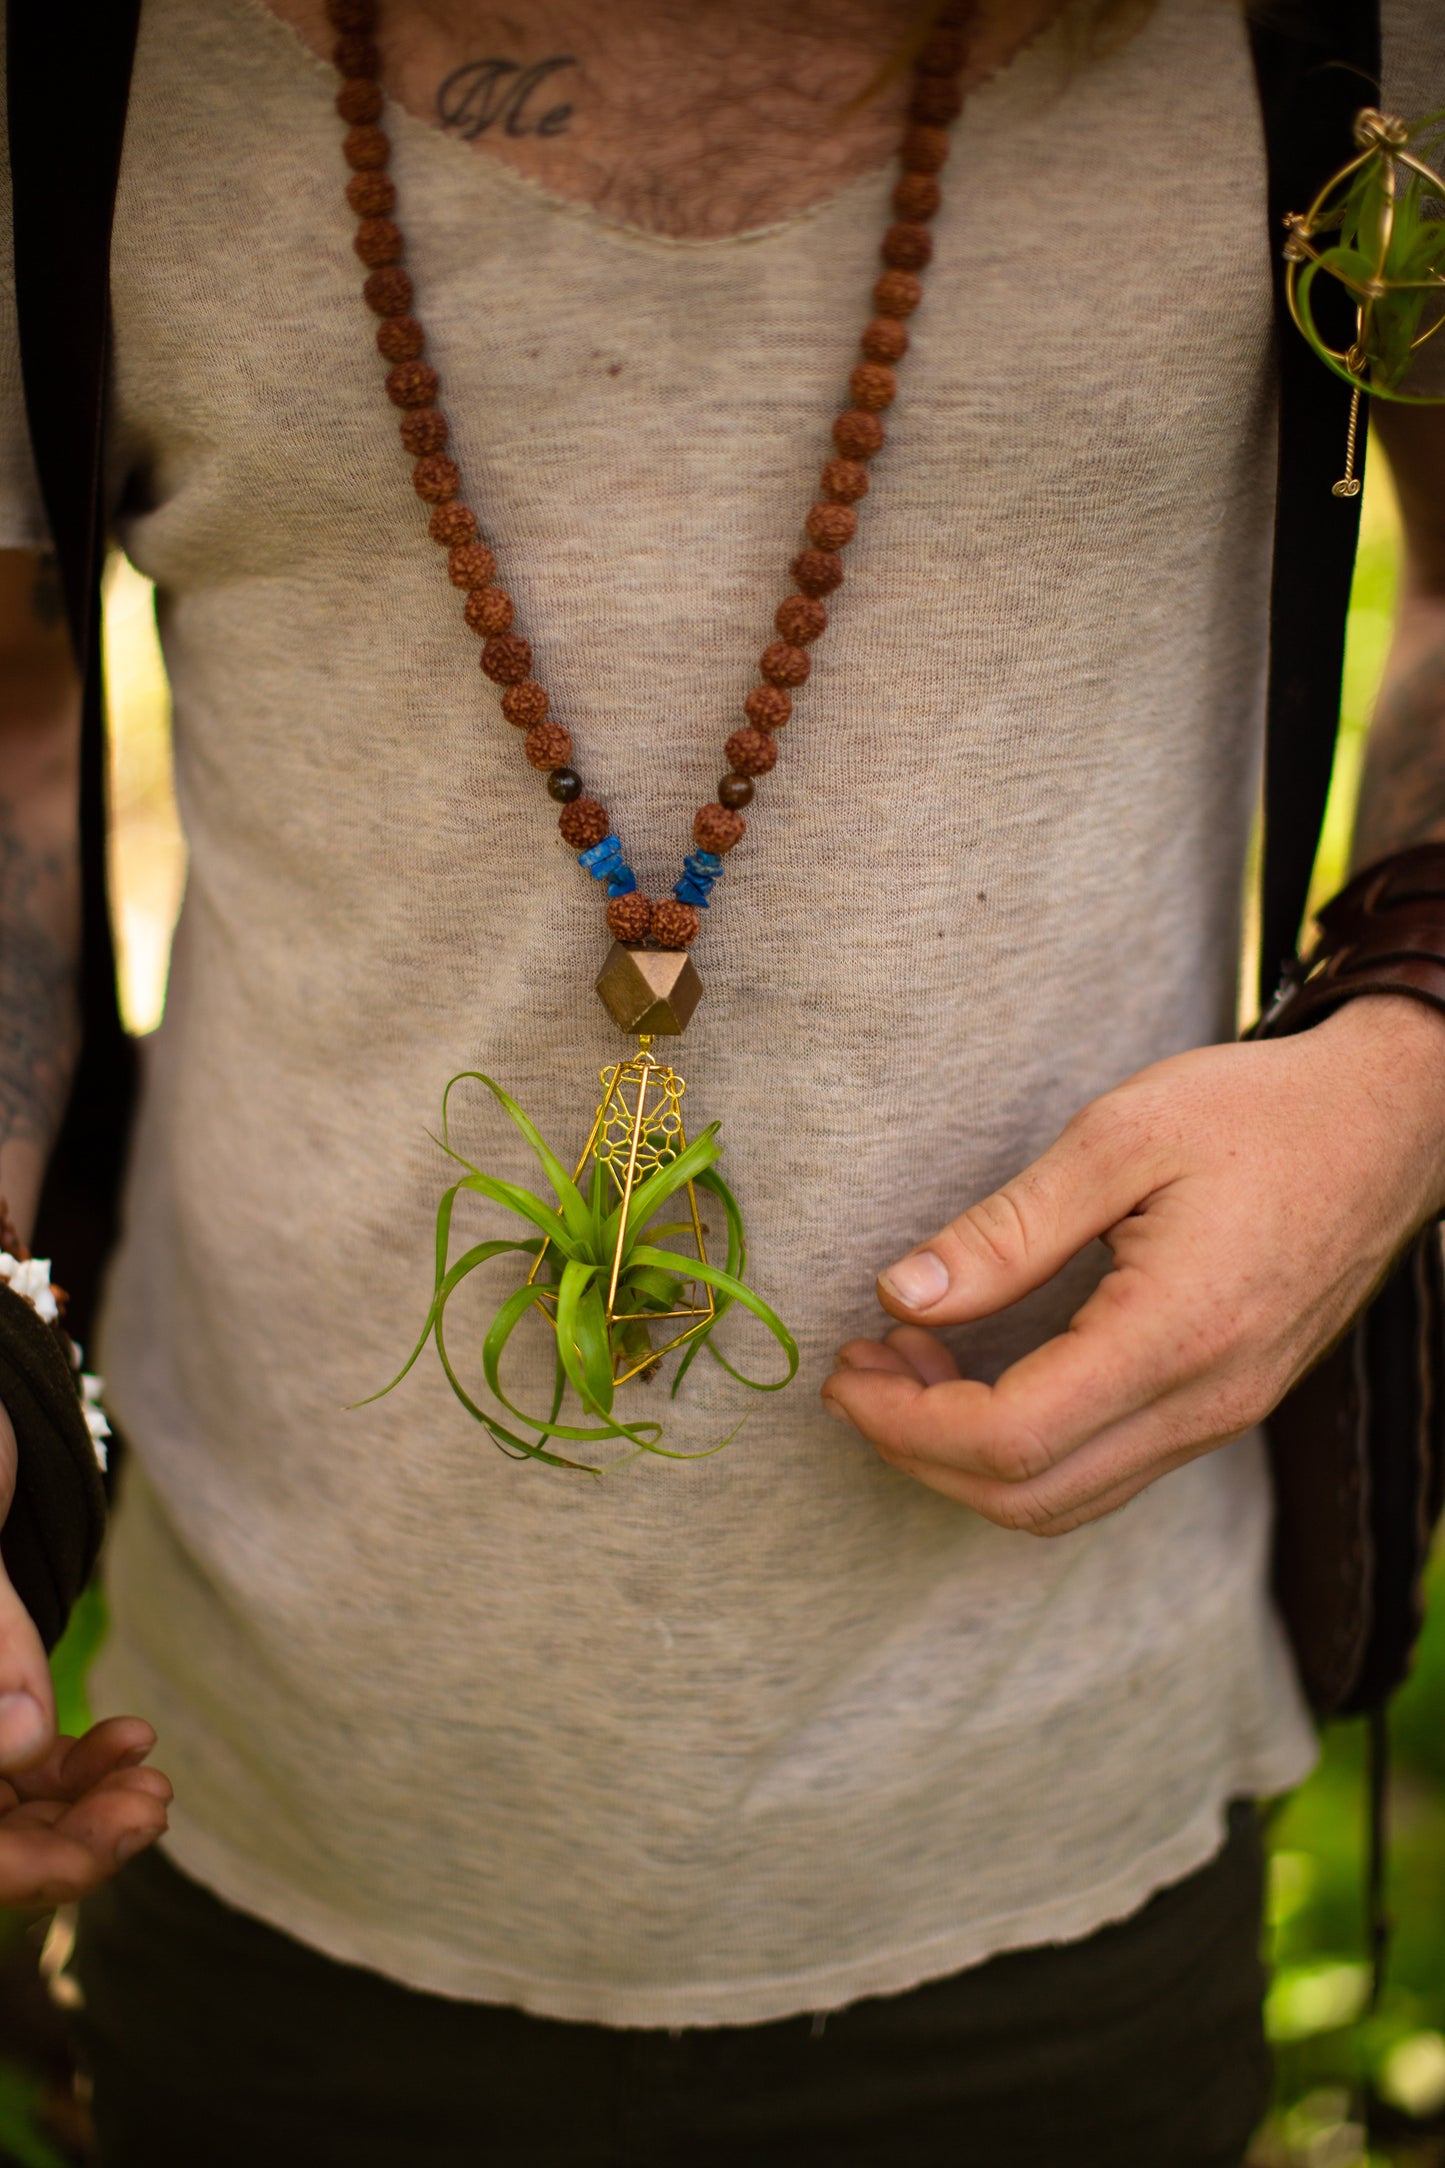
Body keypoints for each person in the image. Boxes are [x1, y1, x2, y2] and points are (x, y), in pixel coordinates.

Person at [0, 0, 1443, 2161]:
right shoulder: (82, 56)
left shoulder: (1346, 25)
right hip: (258, 1800)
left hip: (1055, 1821)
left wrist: (1410, 1052)